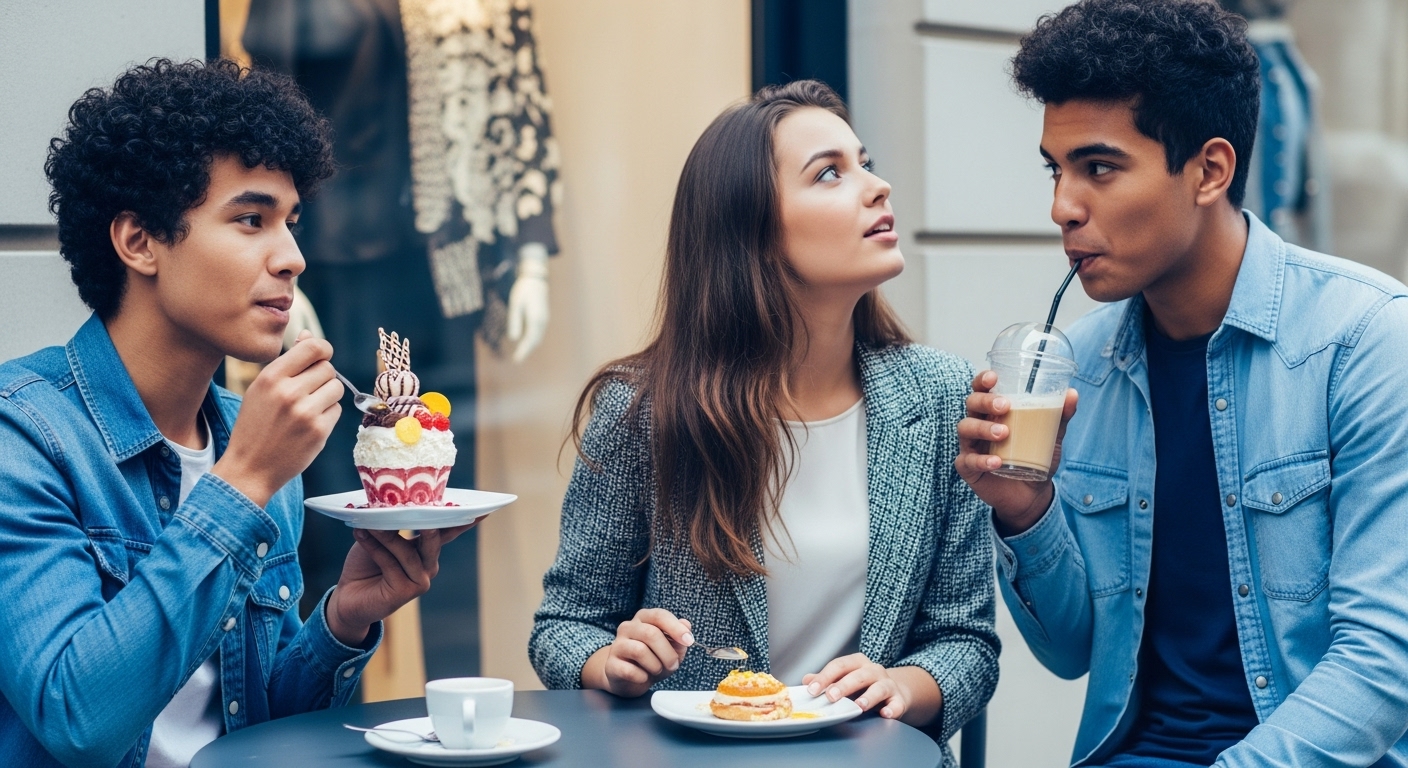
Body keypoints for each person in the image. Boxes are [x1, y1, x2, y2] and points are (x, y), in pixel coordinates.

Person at [956, 1, 1408, 765]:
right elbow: (1073, 652)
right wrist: (1026, 512)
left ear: (1210, 170)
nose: (1062, 207)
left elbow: (1382, 661)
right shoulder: (1086, 366)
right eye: (1056, 169)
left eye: (1098, 168)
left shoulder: (1366, 338)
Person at [0, 59, 471, 768]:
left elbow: (249, 727)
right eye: (251, 219)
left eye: (290, 222)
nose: (292, 257)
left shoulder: (248, 439)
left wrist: (343, 620)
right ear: (139, 242)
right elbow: (76, 720)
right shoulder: (26, 437)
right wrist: (242, 480)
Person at [529, 80, 998, 761]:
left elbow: (967, 643)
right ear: (753, 233)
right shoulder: (644, 412)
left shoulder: (944, 397)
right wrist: (612, 661)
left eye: (863, 162)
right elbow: (564, 626)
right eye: (830, 174)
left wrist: (902, 685)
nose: (878, 187)